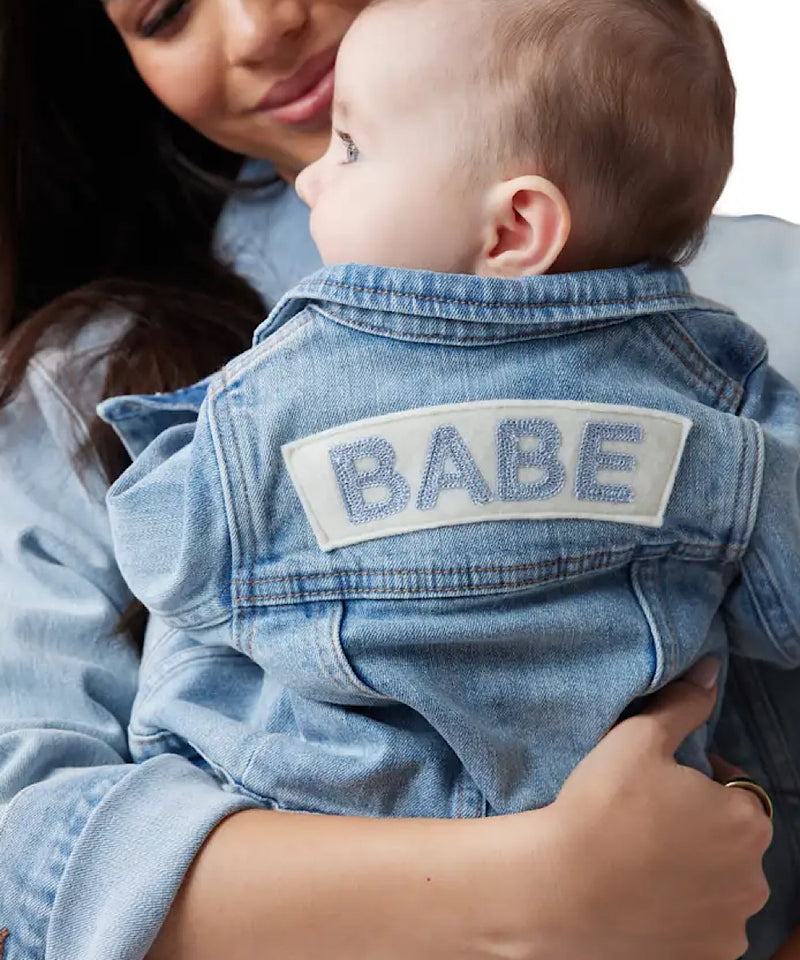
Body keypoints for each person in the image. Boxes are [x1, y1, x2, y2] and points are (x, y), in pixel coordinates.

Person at [0, 1, 780, 959]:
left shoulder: (768, 287)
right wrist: (534, 890)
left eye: (354, 148)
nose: (258, 27)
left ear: (520, 226)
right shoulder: (79, 378)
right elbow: (20, 832)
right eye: (162, 13)